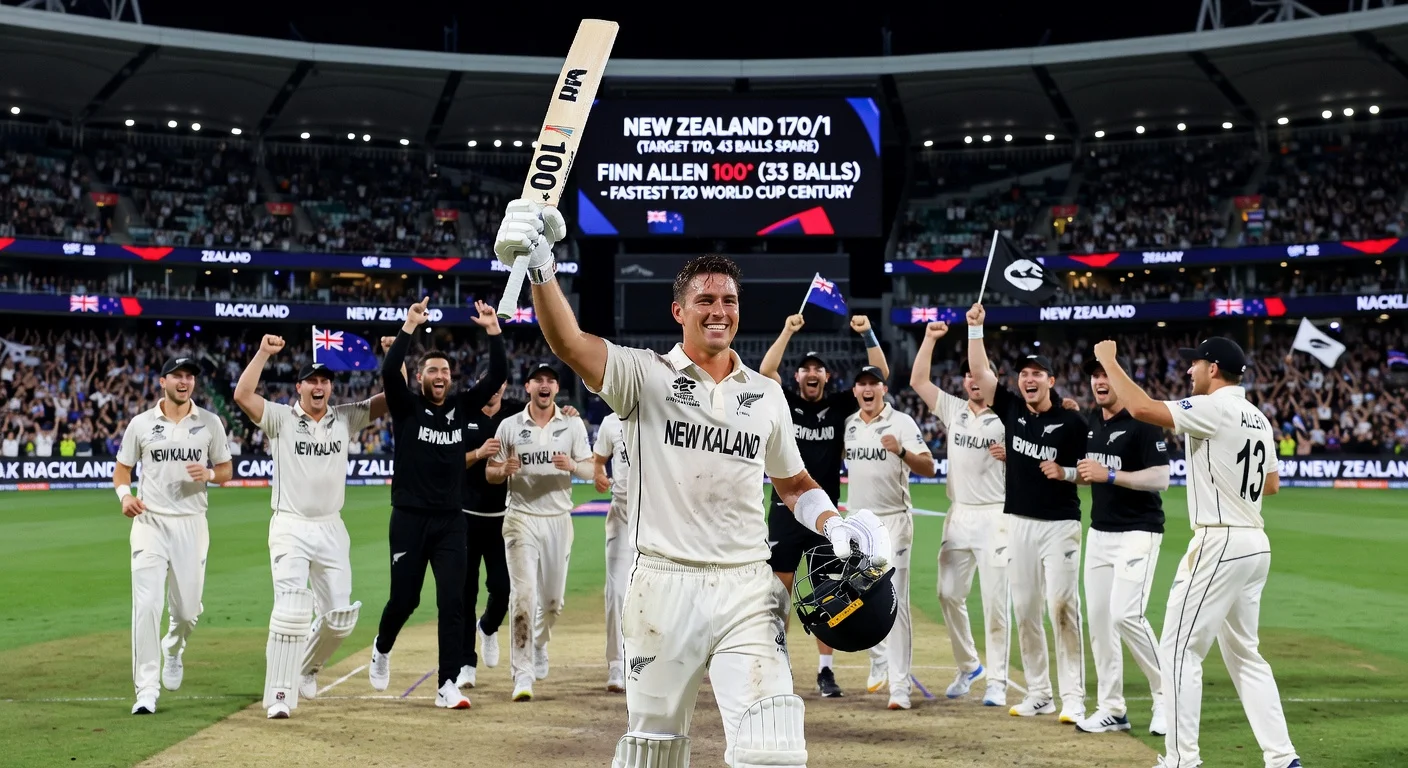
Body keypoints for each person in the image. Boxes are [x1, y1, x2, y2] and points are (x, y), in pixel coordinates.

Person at [494, 199, 890, 768]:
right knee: (654, 752)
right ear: (678, 309)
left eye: (728, 300)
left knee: (774, 747)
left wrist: (834, 523)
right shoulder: (644, 376)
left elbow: (795, 483)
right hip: (663, 587)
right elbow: (572, 345)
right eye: (704, 300)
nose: (718, 310)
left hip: (747, 589)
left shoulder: (766, 394)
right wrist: (541, 271)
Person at [1091, 337, 1300, 768]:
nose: (1189, 371)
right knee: (1246, 655)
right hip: (1255, 543)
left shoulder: (1215, 407)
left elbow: (1145, 409)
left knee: (1177, 651)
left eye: (1195, 364)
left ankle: (1181, 760)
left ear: (1214, 368)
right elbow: (1272, 484)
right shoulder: (1259, 418)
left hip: (1220, 540)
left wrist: (1109, 361)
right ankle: (1282, 758)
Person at [232, 337, 389, 719]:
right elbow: (241, 394)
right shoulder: (281, 418)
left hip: (331, 528)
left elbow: (393, 398)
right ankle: (280, 695)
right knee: (291, 610)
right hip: (290, 524)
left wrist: (392, 356)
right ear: (299, 386)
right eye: (311, 381)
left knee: (339, 619)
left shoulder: (345, 417)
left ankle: (306, 666)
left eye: (325, 382)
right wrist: (265, 353)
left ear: (331, 387)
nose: (319, 387)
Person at [370, 299, 507, 710]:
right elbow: (387, 371)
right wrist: (410, 324)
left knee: (452, 602)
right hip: (409, 519)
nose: (440, 375)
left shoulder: (463, 406)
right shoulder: (406, 406)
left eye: (445, 370)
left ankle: (447, 683)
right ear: (419, 377)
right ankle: (382, 645)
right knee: (405, 600)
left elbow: (498, 374)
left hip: (451, 521)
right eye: (432, 370)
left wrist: (493, 330)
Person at [964, 303, 1089, 723]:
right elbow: (981, 375)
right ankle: (1040, 692)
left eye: (1037, 373)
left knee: (1062, 607)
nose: (1029, 378)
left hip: (1060, 527)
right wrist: (976, 330)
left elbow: (1091, 472)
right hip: (1018, 522)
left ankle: (1073, 696)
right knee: (1027, 609)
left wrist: (1066, 471)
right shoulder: (1013, 411)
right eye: (1024, 373)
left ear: (1052, 380)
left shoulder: (1072, 423)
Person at [757, 312, 890, 698]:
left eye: (818, 369)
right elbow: (767, 371)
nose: (812, 373)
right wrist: (786, 330)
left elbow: (879, 374)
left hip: (824, 517)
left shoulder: (837, 407)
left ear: (827, 378)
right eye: (805, 369)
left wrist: (867, 334)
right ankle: (774, 664)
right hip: (784, 512)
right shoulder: (782, 403)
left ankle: (825, 672)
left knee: (826, 592)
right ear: (796, 377)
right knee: (777, 592)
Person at [114, 356, 233, 715]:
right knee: (147, 606)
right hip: (150, 523)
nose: (185, 382)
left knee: (186, 612)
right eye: (178, 376)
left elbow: (226, 469)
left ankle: (174, 647)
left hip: (191, 524)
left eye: (190, 376)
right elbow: (122, 472)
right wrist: (125, 497)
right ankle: (146, 689)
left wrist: (209, 475)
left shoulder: (210, 423)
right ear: (162, 381)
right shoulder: (141, 424)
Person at [908, 320, 1011, 707]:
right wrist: (930, 339)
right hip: (959, 515)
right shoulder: (953, 409)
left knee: (996, 602)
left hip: (996, 516)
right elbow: (919, 380)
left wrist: (1013, 456)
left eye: (978, 375)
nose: (971, 380)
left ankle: (999, 680)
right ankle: (969, 666)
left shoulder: (1006, 416)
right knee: (948, 593)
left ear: (993, 381)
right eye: (967, 375)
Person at [456, 382, 582, 690]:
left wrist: (567, 412)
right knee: (465, 594)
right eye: (487, 384)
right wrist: (478, 453)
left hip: (507, 516)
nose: (494, 391)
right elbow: (448, 462)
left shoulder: (514, 412)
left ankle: (487, 627)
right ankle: (466, 664)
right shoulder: (462, 414)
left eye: (498, 384)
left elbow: (543, 415)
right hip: (468, 516)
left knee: (503, 591)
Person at [1071, 354, 1170, 736]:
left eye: (1106, 375)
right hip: (1100, 533)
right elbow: (1090, 469)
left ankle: (1167, 697)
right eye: (1095, 375)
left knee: (1126, 615)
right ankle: (1112, 707)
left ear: (1120, 378)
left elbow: (1161, 477)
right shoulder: (1095, 420)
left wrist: (1110, 475)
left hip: (1138, 532)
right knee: (1099, 622)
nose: (1099, 382)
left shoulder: (1143, 420)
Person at [485, 363, 595, 702]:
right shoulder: (510, 426)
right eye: (538, 380)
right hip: (520, 518)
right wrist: (503, 469)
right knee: (523, 595)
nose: (545, 385)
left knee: (552, 604)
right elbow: (490, 472)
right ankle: (522, 673)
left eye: (551, 381)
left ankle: (539, 642)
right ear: (529, 386)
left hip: (558, 519)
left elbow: (591, 470)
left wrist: (574, 466)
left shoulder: (572, 424)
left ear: (556, 389)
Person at [842, 364, 936, 710]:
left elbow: (928, 466)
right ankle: (878, 658)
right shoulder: (850, 425)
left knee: (895, 602)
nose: (868, 389)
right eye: (861, 383)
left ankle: (900, 687)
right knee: (858, 598)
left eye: (874, 384)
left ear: (883, 389)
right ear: (855, 391)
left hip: (894, 521)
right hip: (858, 524)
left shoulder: (902, 423)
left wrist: (901, 451)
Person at [592, 408, 632, 693]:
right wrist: (598, 475)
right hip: (622, 513)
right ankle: (617, 663)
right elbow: (599, 461)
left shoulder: (661, 412)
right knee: (617, 591)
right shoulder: (610, 423)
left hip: (659, 516)